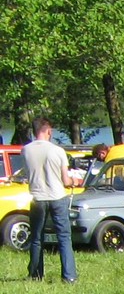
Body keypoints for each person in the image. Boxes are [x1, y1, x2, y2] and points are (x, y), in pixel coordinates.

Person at [22, 118, 78, 284]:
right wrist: (75, 181)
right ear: (48, 131)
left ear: (34, 131)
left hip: (38, 198)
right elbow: (66, 180)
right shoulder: (57, 150)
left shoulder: (25, 150)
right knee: (64, 237)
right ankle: (69, 276)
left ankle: (36, 274)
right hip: (57, 197)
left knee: (37, 238)